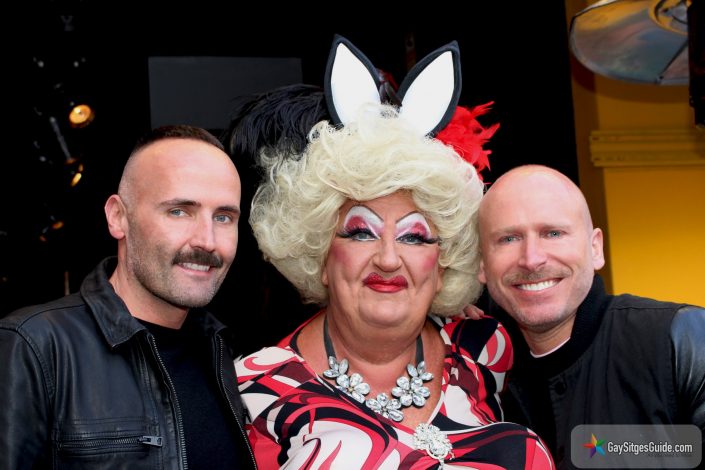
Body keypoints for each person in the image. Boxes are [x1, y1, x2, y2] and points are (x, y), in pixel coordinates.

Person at [233, 36, 554, 468]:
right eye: (361, 233)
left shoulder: (486, 349)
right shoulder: (255, 389)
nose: (388, 258)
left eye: (415, 237)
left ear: (443, 265)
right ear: (321, 256)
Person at [0, 125, 256, 469]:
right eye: (179, 211)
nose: (207, 241)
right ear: (118, 217)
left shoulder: (226, 352)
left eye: (224, 217)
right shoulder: (33, 346)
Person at [477, 164, 705, 469]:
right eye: (508, 239)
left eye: (553, 233)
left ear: (595, 248)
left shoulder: (681, 340)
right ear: (481, 264)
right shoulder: (472, 376)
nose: (531, 258)